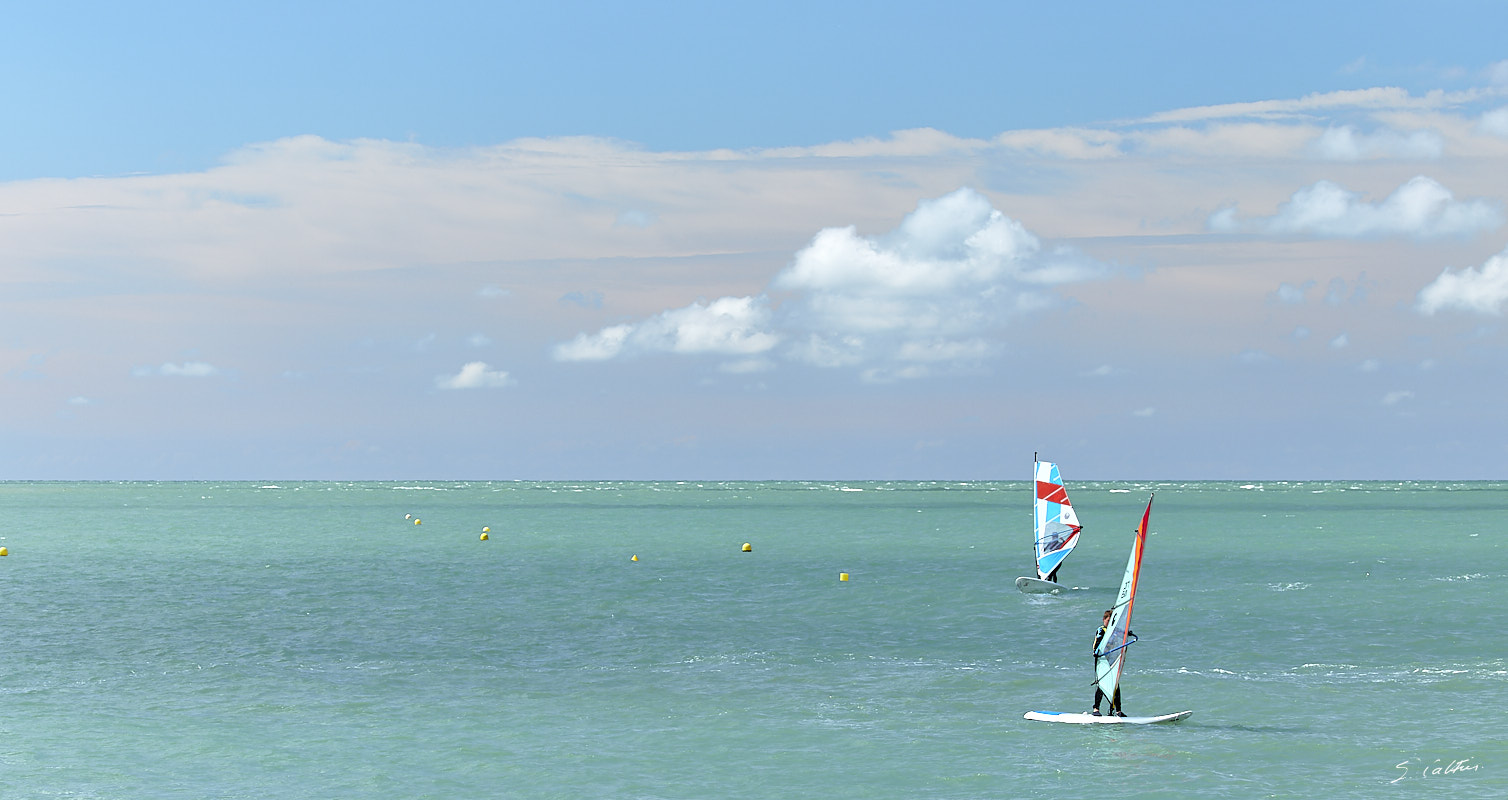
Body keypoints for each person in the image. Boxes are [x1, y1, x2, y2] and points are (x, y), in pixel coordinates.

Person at [1090, 609, 1133, 716]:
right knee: (1102, 684)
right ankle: (1096, 709)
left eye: (1111, 621)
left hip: (1112, 660)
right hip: (1102, 660)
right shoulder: (1101, 630)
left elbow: (1123, 633)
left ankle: (1118, 710)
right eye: (1108, 621)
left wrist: (1128, 632)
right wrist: (1099, 651)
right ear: (1104, 620)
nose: (1109, 623)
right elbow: (1097, 645)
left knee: (1115, 684)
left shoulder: (1115, 631)